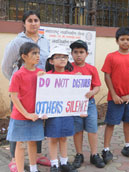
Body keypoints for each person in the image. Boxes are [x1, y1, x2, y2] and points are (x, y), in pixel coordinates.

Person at [1, 10, 50, 172]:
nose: (33, 23)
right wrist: (19, 82)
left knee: (37, 120)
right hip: (22, 90)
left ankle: (36, 155)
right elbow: (6, 66)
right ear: (24, 23)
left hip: (40, 90)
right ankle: (15, 159)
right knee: (20, 124)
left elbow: (47, 63)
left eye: (36, 20)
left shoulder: (45, 41)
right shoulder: (17, 42)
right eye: (30, 20)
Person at [101, 27, 129, 162]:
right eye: (122, 39)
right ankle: (106, 149)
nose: (125, 42)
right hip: (115, 99)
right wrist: (113, 95)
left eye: (128, 39)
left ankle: (128, 146)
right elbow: (107, 76)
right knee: (111, 123)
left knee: (128, 122)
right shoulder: (111, 57)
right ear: (117, 41)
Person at [6, 42, 45, 172]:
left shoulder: (41, 73)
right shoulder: (18, 74)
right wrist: (26, 114)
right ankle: (21, 169)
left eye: (38, 53)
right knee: (21, 145)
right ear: (24, 56)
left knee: (33, 142)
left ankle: (33, 168)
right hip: (21, 117)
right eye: (34, 53)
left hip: (36, 115)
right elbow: (14, 97)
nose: (37, 56)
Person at [69, 40, 105, 169]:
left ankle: (94, 154)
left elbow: (97, 86)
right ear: (71, 54)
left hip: (89, 104)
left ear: (86, 54)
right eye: (76, 52)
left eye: (81, 52)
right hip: (75, 105)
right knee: (77, 131)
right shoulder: (68, 68)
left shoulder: (91, 68)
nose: (79, 55)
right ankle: (79, 154)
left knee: (92, 130)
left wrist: (92, 92)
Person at [44, 46, 77, 172]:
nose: (62, 59)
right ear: (51, 61)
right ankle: (54, 164)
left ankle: (64, 162)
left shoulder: (72, 76)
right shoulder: (46, 76)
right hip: (52, 113)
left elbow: (77, 94)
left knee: (64, 137)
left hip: (67, 113)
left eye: (64, 57)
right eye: (58, 57)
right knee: (53, 138)